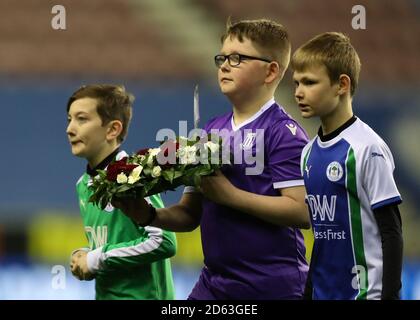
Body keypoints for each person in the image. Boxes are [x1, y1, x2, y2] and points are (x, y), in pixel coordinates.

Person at [113, 19, 310, 300]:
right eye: (222, 58)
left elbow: (302, 212)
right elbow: (190, 213)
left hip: (272, 286)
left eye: (237, 58)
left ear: (270, 71)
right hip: (215, 284)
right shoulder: (211, 130)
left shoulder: (283, 132)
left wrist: (229, 195)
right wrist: (148, 215)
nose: (225, 65)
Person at [291, 32, 403, 300]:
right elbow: (322, 235)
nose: (298, 92)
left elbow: (391, 232)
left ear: (341, 84)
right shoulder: (308, 153)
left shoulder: (366, 148)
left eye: (309, 82)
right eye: (296, 83)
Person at [66, 84, 177, 299]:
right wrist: (87, 254)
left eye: (81, 119)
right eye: (69, 119)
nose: (70, 128)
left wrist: (96, 258)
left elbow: (164, 241)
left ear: (112, 129)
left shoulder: (132, 175)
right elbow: (113, 243)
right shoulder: (83, 185)